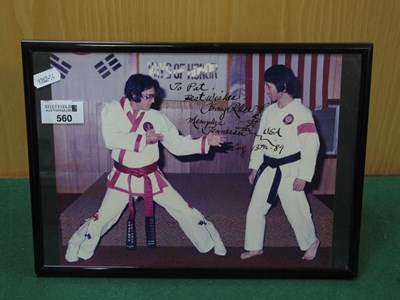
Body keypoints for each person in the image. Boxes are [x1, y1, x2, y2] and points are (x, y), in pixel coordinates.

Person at [65, 74, 227, 262]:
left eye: (154, 95)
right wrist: (144, 139)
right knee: (103, 218)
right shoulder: (111, 110)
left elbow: (177, 145)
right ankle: (77, 244)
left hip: (151, 176)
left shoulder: (156, 118)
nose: (154, 100)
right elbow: (111, 140)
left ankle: (212, 240)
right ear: (134, 95)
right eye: (149, 96)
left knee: (184, 209)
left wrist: (205, 141)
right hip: (123, 177)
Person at [240, 65, 320, 261]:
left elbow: (311, 145)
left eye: (269, 86)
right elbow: (261, 140)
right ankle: (254, 246)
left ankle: (311, 242)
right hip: (268, 168)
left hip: (291, 170)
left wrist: (304, 175)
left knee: (297, 211)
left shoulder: (302, 113)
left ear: (283, 87)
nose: (267, 90)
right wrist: (255, 167)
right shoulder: (269, 112)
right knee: (255, 209)